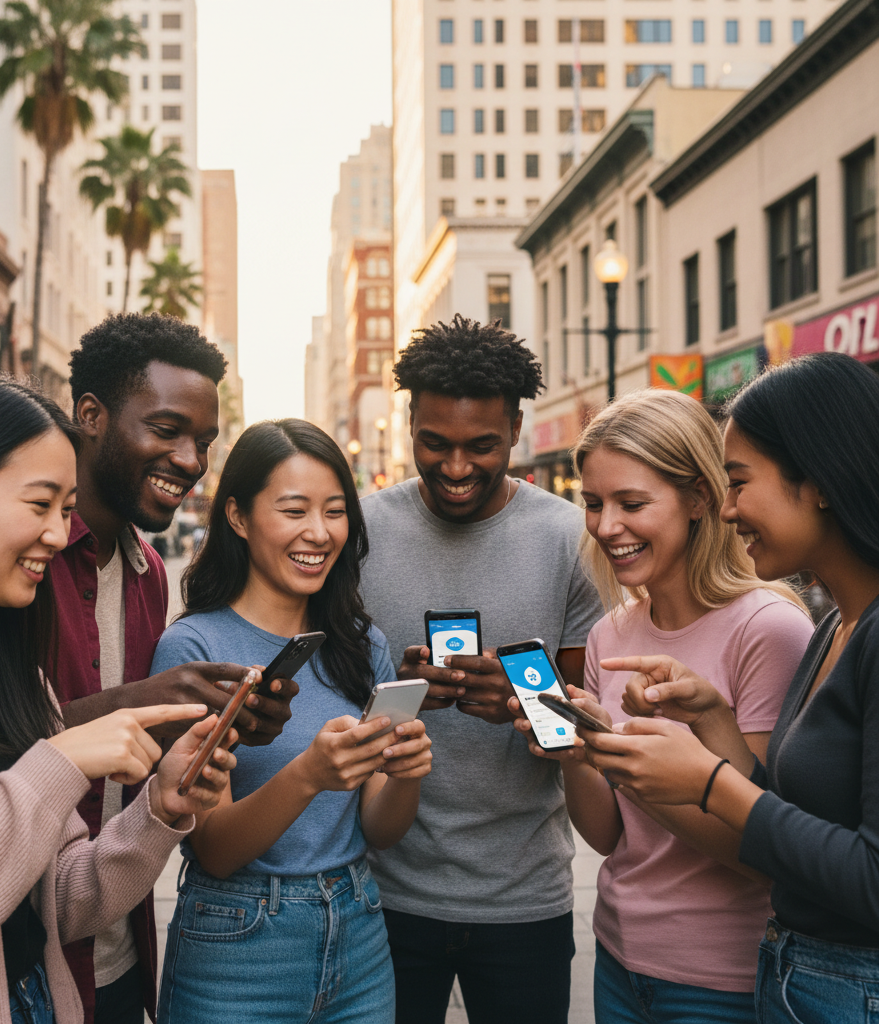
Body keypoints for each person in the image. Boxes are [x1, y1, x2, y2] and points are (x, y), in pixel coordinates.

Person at [0, 374, 237, 1024]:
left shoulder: (13, 671)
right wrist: (59, 761)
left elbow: (59, 899)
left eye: (66, 509)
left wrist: (159, 810)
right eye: (39, 505)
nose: (59, 536)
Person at [579, 353, 879, 1022]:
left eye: (738, 482)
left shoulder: (795, 625)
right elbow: (794, 815)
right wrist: (712, 718)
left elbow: (864, 874)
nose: (728, 506)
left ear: (820, 479)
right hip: (790, 973)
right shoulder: (835, 624)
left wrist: (705, 781)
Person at [510, 389, 813, 1023]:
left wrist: (632, 765)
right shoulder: (609, 635)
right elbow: (610, 836)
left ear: (699, 498)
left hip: (726, 976)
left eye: (633, 502)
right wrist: (574, 752)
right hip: (620, 960)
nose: (606, 525)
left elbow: (766, 848)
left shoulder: (768, 627)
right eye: (593, 503)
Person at [358, 314, 604, 1024]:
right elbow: (341, 716)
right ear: (408, 424)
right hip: (387, 896)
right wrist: (397, 698)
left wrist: (530, 698)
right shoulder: (361, 531)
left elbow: (583, 727)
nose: (457, 467)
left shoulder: (567, 538)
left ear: (517, 429)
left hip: (525, 900)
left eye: (481, 446)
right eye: (435, 443)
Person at [53, 314, 299, 1023]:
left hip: (120, 951)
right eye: (166, 430)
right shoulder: (23, 564)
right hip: (20, 957)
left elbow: (130, 768)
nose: (191, 460)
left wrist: (211, 726)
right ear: (91, 416)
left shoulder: (149, 572)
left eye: (204, 442)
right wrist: (140, 703)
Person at [151, 419, 433, 1023]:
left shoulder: (363, 644)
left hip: (358, 933)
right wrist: (308, 774)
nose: (319, 532)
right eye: (294, 509)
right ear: (238, 516)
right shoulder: (194, 649)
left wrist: (406, 773)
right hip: (235, 947)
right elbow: (215, 848)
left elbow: (380, 829)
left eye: (335, 511)